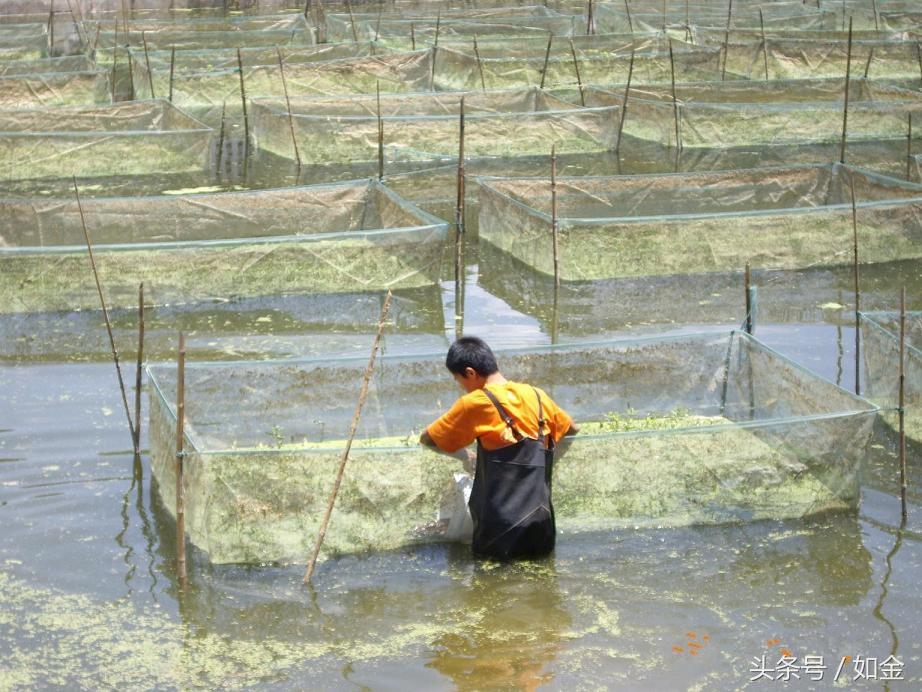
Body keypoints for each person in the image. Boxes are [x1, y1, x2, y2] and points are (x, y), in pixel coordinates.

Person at [420, 336, 579, 560]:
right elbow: (571, 429)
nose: (462, 388)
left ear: (470, 372)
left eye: (459, 380)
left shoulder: (476, 402)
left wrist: (465, 456)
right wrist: (546, 462)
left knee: (490, 590)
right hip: (543, 527)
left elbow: (429, 439)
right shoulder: (536, 395)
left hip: (499, 534)